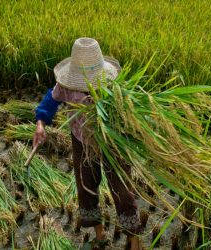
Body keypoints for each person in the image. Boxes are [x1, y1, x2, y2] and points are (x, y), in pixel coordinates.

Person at [33, 37, 142, 250]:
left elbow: (130, 112)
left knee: (122, 188)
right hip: (81, 140)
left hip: (112, 141)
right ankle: (99, 233)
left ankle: (133, 238)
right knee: (86, 185)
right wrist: (40, 124)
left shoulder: (113, 85)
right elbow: (50, 101)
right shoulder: (66, 86)